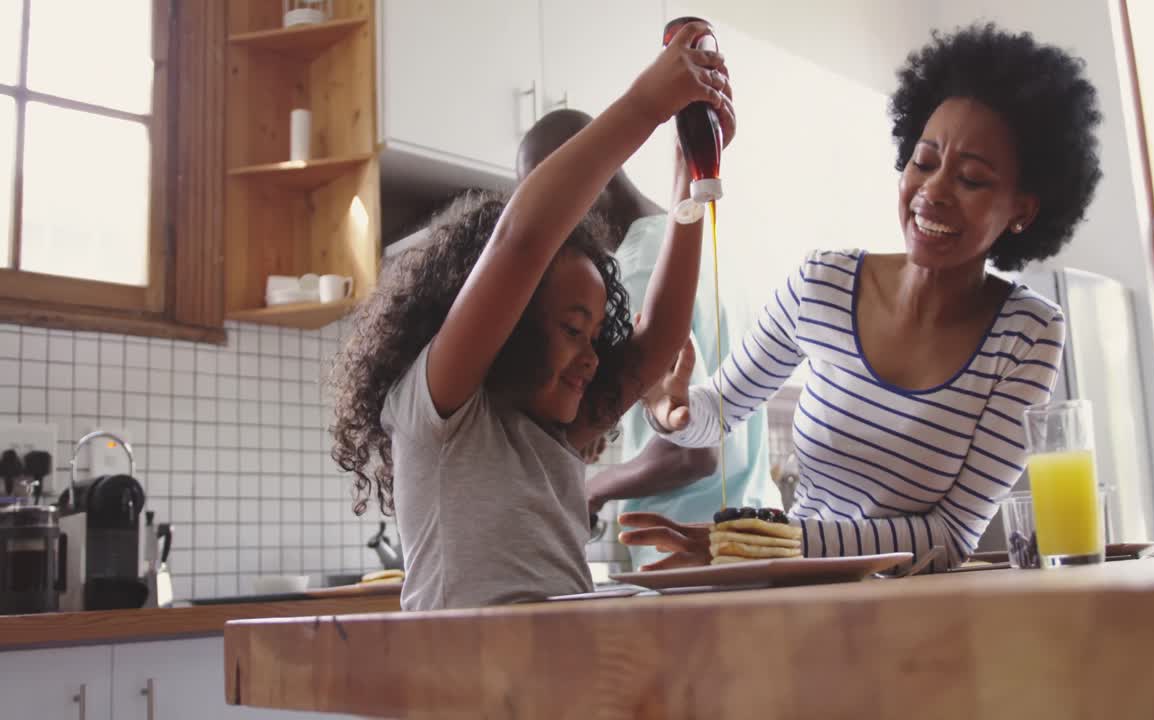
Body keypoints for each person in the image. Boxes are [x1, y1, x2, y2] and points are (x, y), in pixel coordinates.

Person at [620, 23, 1103, 572]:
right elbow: (717, 411)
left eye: (971, 179)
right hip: (805, 598)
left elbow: (951, 535)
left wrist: (769, 543)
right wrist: (671, 411)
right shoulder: (823, 283)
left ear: (1022, 209)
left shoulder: (1027, 335)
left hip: (917, 608)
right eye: (924, 162)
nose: (933, 191)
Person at [327, 22, 737, 609]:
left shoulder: (557, 434)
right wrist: (645, 105)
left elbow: (657, 343)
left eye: (593, 334)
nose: (592, 358)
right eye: (572, 329)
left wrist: (689, 176)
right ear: (510, 324)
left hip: (555, 662)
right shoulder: (441, 411)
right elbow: (521, 241)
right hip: (465, 669)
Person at [515, 110, 779, 569]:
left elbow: (691, 455)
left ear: (590, 180)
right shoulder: (704, 245)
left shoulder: (637, 271)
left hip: (691, 555)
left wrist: (590, 489)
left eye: (549, 199)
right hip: (755, 537)